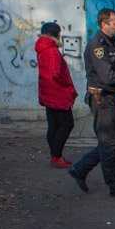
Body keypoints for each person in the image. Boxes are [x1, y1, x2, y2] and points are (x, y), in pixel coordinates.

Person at [67, 8, 115, 199]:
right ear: (104, 24)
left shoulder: (114, 43)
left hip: (112, 97)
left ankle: (80, 168)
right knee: (109, 144)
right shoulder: (97, 46)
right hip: (101, 100)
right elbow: (108, 76)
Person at [35, 22, 77, 169]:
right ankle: (56, 156)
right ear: (55, 34)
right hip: (57, 93)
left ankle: (55, 155)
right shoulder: (52, 50)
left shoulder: (42, 48)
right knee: (67, 124)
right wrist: (67, 83)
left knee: (53, 125)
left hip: (48, 92)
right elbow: (56, 73)